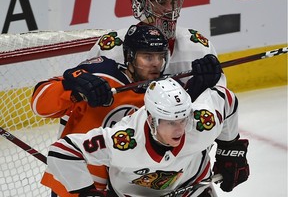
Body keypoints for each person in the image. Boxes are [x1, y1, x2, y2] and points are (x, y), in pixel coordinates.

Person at [45, 77, 250, 197]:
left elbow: (226, 98)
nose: (180, 129)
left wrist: (230, 150)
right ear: (151, 119)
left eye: (182, 119)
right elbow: (62, 151)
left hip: (192, 189)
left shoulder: (201, 122)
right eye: (170, 122)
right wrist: (85, 192)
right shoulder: (124, 140)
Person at [31, 24, 171, 196]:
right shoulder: (102, 76)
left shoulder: (164, 93)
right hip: (77, 184)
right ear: (130, 57)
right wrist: (74, 90)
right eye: (148, 57)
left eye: (160, 57)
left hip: (127, 188)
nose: (156, 64)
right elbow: (39, 106)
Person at [89, 0, 226, 86]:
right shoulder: (110, 47)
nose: (170, 10)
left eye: (174, 2)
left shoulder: (197, 46)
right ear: (141, 5)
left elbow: (222, 98)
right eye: (162, 2)